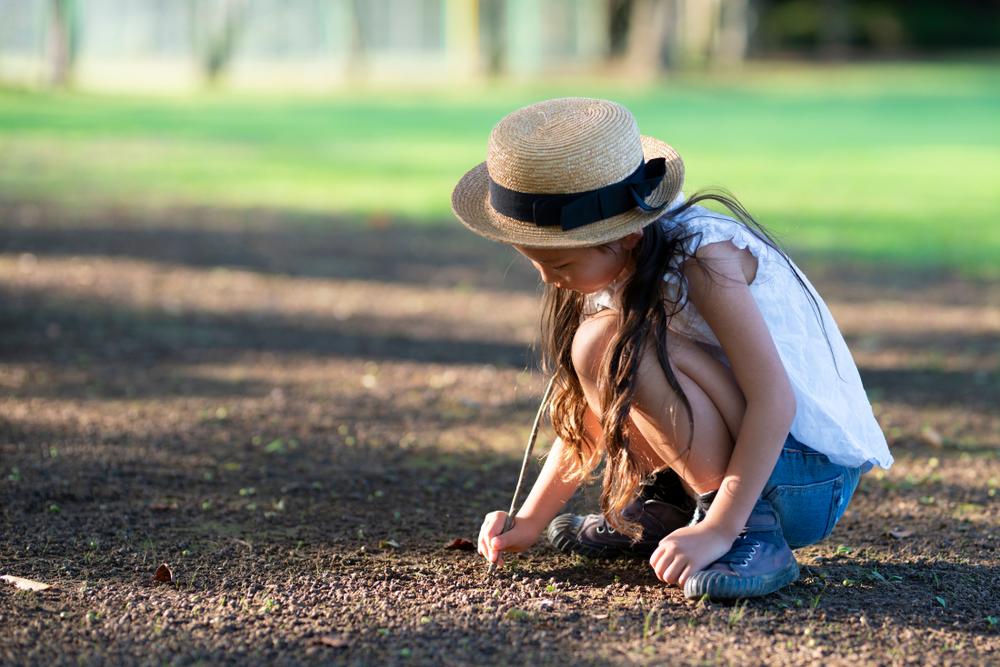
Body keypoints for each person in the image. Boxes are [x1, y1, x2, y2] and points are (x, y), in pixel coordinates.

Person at [451, 97, 892, 600]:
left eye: (562, 265)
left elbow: (776, 401)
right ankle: (672, 505)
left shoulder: (706, 259)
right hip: (752, 469)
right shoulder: (616, 264)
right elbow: (594, 414)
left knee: (613, 345)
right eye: (537, 263)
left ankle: (752, 534)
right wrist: (530, 519)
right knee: (598, 346)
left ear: (628, 235)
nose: (552, 279)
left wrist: (723, 528)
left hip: (805, 479)